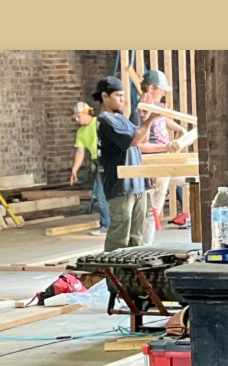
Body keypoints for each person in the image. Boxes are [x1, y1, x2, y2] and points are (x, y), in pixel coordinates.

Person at [92, 76, 148, 250]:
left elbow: (139, 139)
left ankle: (133, 276)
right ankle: (114, 275)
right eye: (118, 95)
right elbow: (133, 140)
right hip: (121, 186)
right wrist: (152, 118)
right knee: (119, 238)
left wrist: (144, 118)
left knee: (137, 238)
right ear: (105, 96)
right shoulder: (106, 121)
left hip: (137, 184)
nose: (122, 99)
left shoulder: (121, 118)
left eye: (123, 95)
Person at [133, 68, 184, 238]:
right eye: (161, 89)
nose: (163, 93)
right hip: (155, 161)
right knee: (156, 201)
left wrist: (178, 128)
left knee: (193, 179)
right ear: (151, 88)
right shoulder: (140, 112)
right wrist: (165, 148)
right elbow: (139, 146)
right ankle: (147, 237)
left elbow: (162, 118)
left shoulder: (153, 106)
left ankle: (148, 234)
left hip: (165, 158)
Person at [69, 100, 109, 236]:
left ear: (86, 113)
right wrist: (75, 169)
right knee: (99, 195)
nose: (76, 119)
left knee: (104, 194)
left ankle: (108, 225)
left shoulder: (100, 123)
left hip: (109, 161)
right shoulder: (81, 132)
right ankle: (107, 225)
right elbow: (80, 152)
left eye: (78, 116)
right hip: (99, 163)